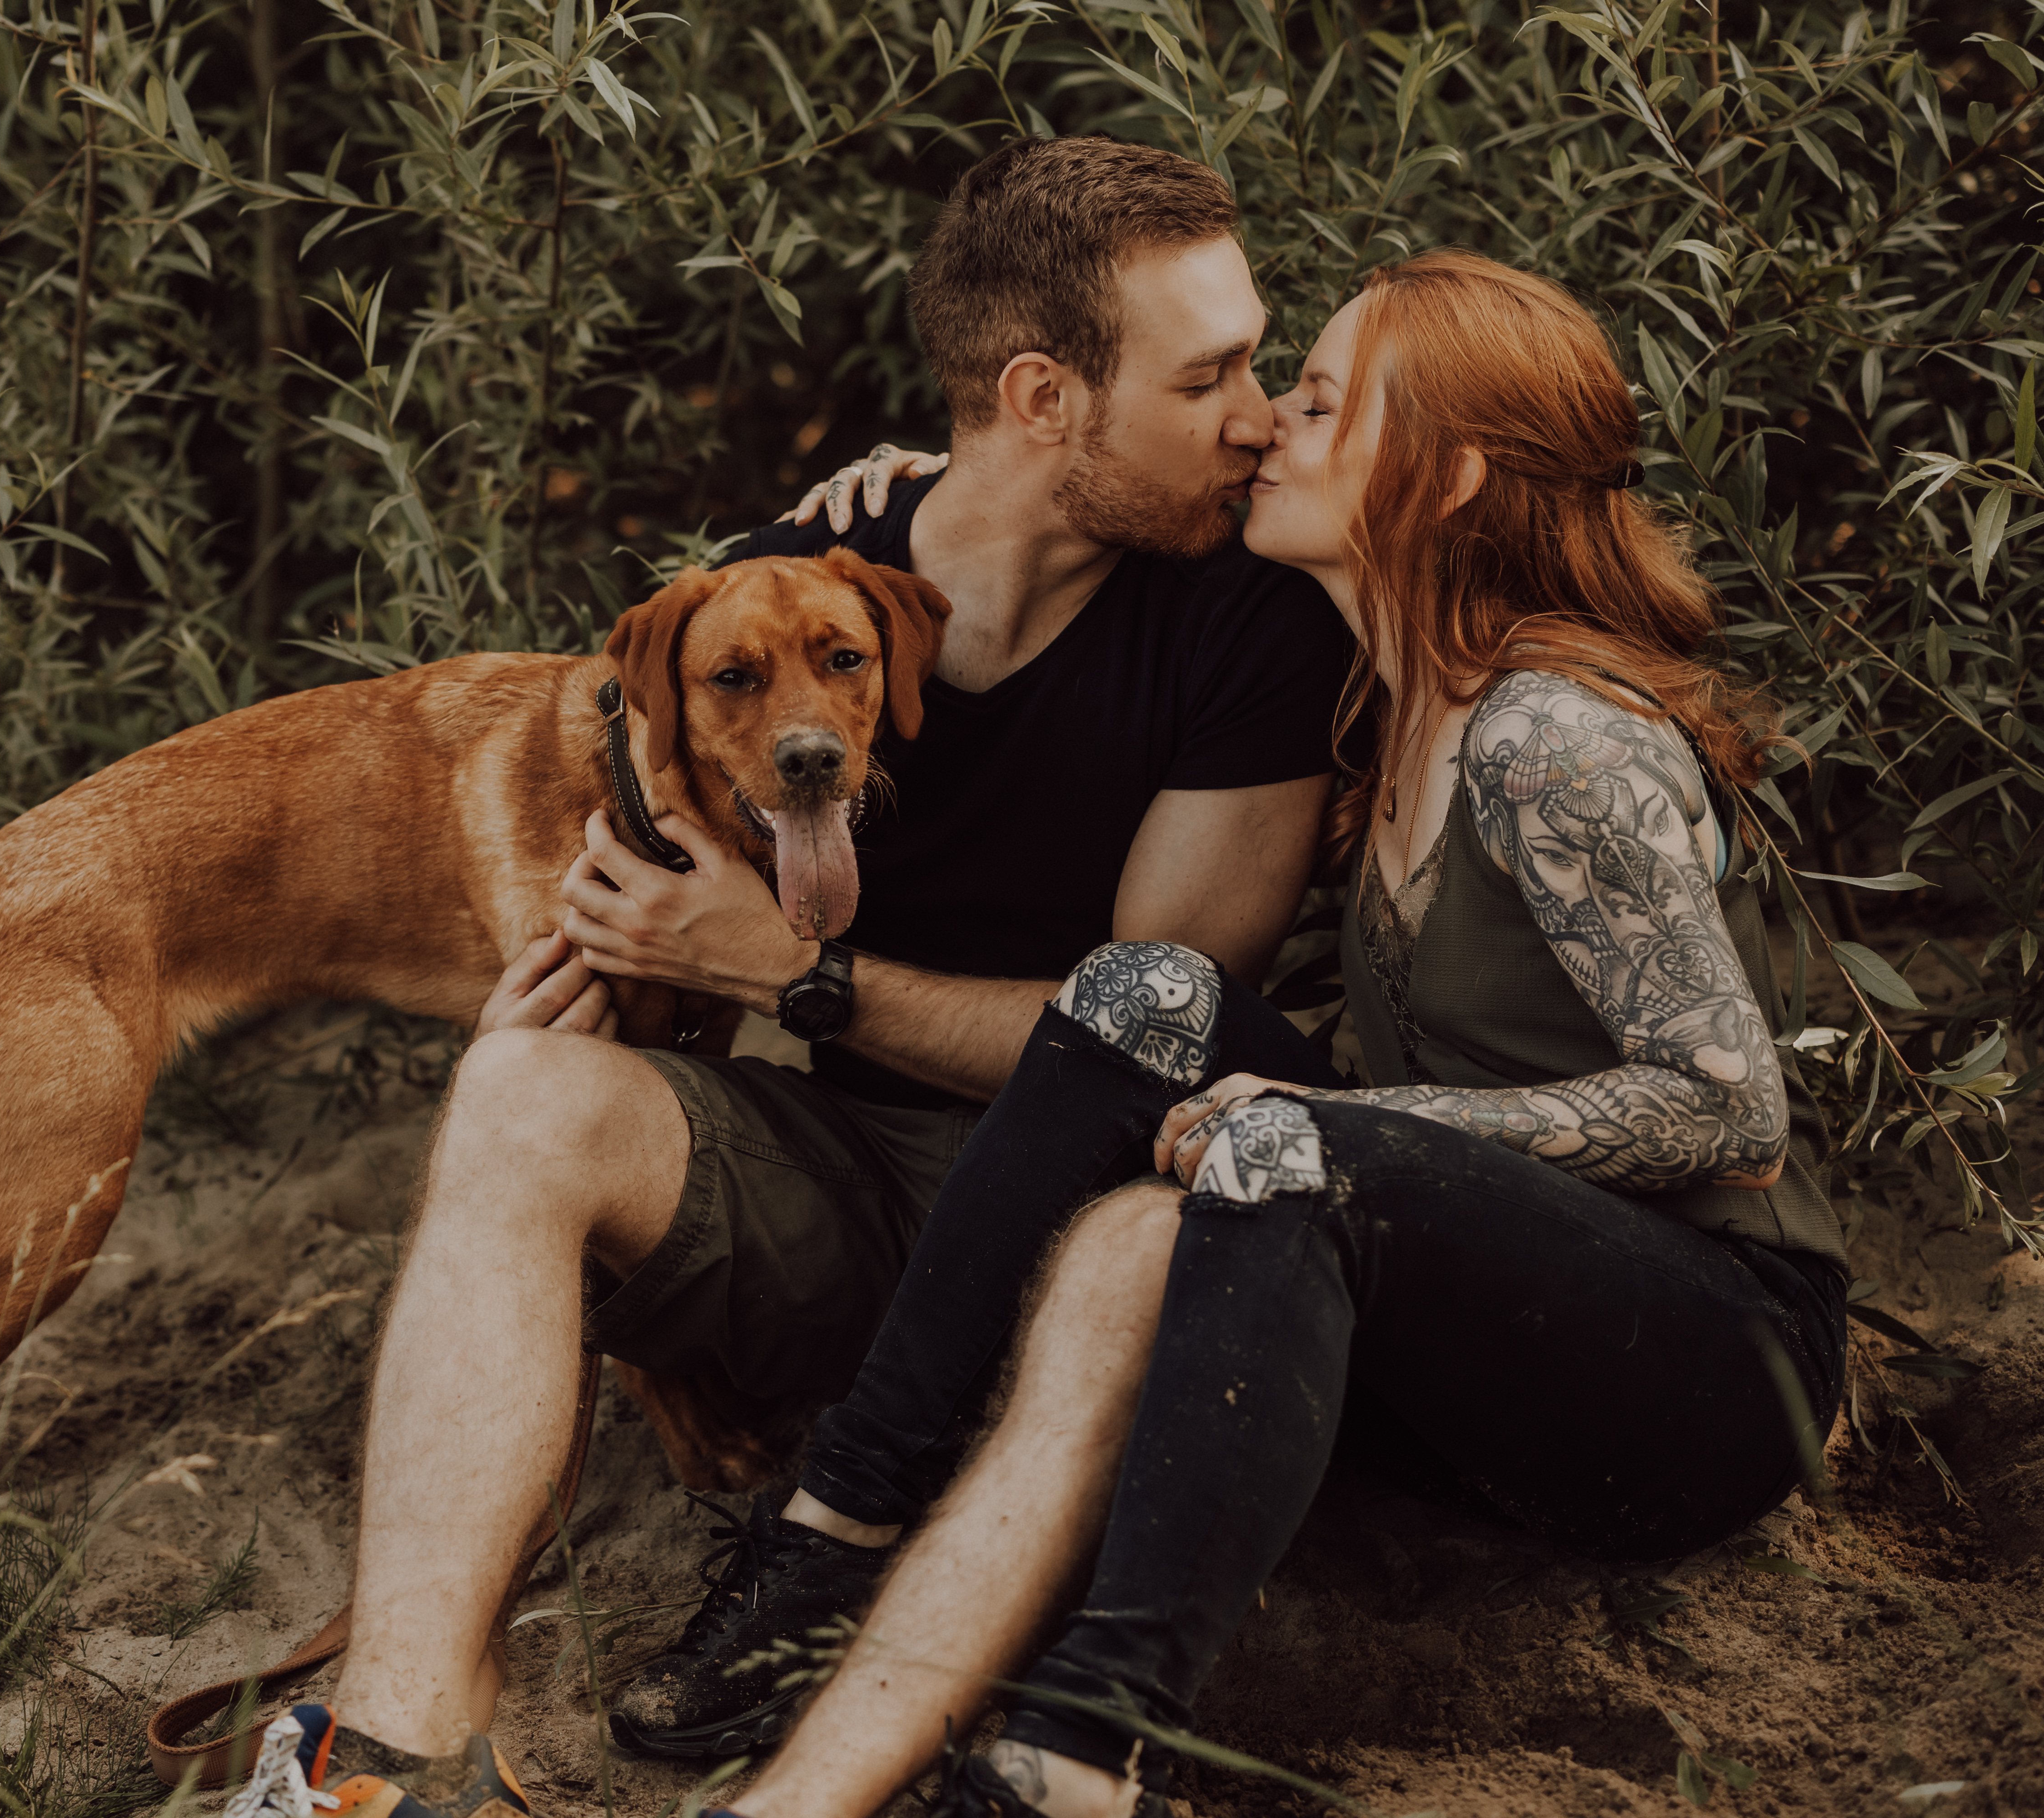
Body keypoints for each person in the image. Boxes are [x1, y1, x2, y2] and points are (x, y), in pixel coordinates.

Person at [220, 136, 1360, 1818]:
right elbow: (631, 879)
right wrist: (589, 981)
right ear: (1044, 397)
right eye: (1214, 377)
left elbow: (1153, 1041)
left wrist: (796, 979)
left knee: (1123, 1177)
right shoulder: (787, 577)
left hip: (1089, 1228)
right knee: (521, 1090)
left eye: (1257, 367)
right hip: (848, 1188)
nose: (1258, 414)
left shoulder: (1247, 620)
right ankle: (381, 1754)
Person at [669, 249, 1850, 1818]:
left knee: (1286, 1137)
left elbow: (1729, 1113)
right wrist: (925, 483)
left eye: (1312, 401)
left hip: (1705, 1372)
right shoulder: (1388, 695)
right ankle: (837, 1521)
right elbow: (1040, 490)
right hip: (1481, 1316)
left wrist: (1359, 1131)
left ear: (1448, 480)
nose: (1264, 427)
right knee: (1135, 989)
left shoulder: (1556, 738)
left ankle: (1085, 1749)